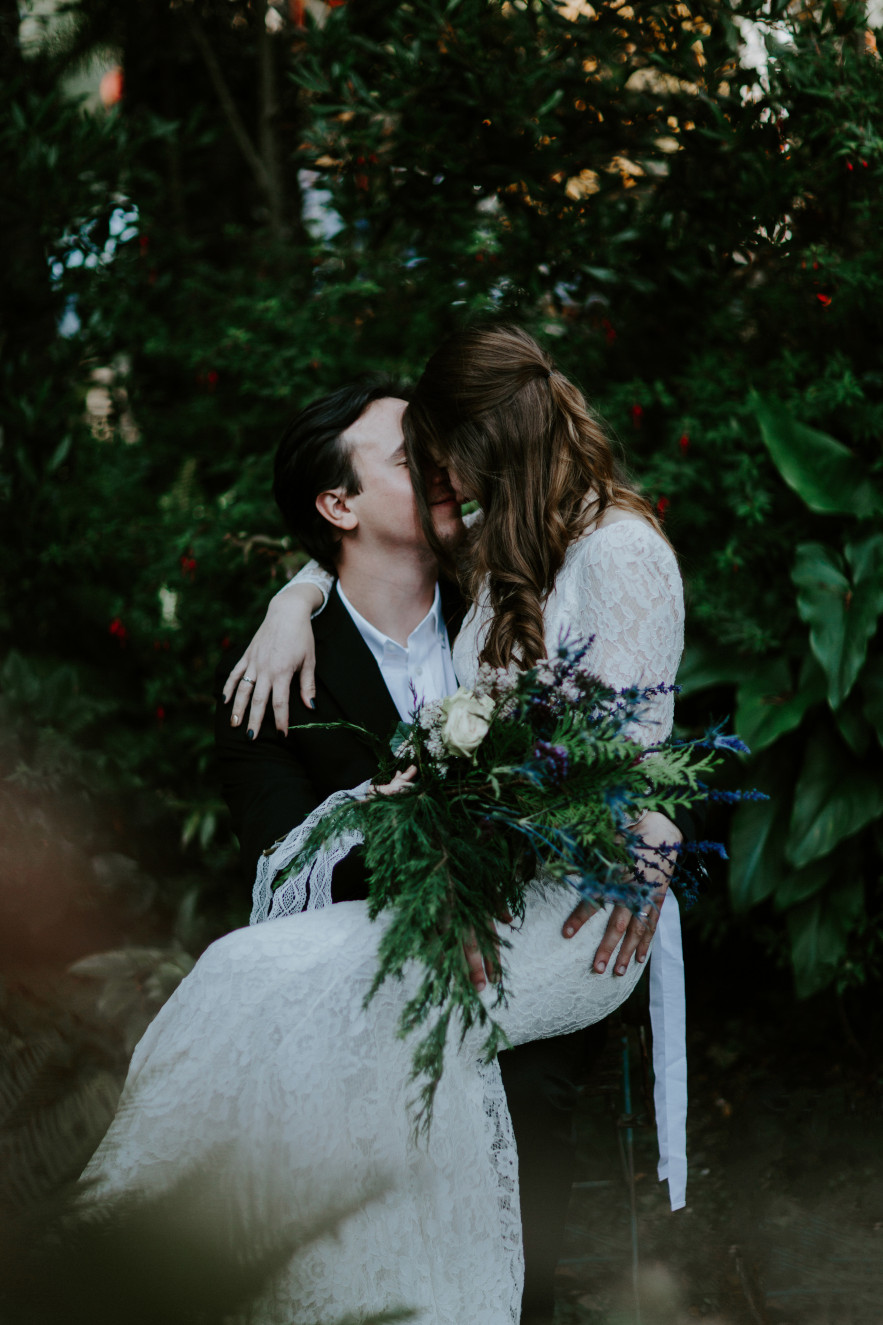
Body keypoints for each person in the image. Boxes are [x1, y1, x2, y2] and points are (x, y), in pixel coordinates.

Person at [81, 325, 685, 1325]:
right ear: (338, 506)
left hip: (559, 911)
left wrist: (657, 804)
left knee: (317, 1005)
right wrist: (299, 590)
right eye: (410, 460)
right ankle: (151, 1267)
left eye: (435, 449)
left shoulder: (500, 568)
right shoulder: (276, 674)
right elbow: (289, 852)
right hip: (432, 906)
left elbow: (625, 721)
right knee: (242, 971)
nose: (439, 470)